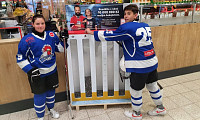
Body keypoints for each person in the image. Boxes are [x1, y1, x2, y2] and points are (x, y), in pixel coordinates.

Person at [85, 4, 166, 120]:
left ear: (136, 15)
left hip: (140, 65)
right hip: (152, 61)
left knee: (136, 90)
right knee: (152, 85)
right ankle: (160, 107)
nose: (126, 16)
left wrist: (93, 33)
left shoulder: (127, 27)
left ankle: (137, 114)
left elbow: (112, 35)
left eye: (129, 14)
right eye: (125, 14)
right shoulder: (145, 25)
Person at [16, 14, 68, 120]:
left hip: (52, 70)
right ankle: (40, 117)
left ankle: (51, 110)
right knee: (40, 95)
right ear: (33, 25)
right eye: (37, 24)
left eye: (42, 23)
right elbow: (20, 58)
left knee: (51, 92)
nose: (40, 26)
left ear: (45, 24)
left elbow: (61, 49)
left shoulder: (51, 34)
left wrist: (64, 40)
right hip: (38, 74)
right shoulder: (26, 40)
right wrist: (30, 70)